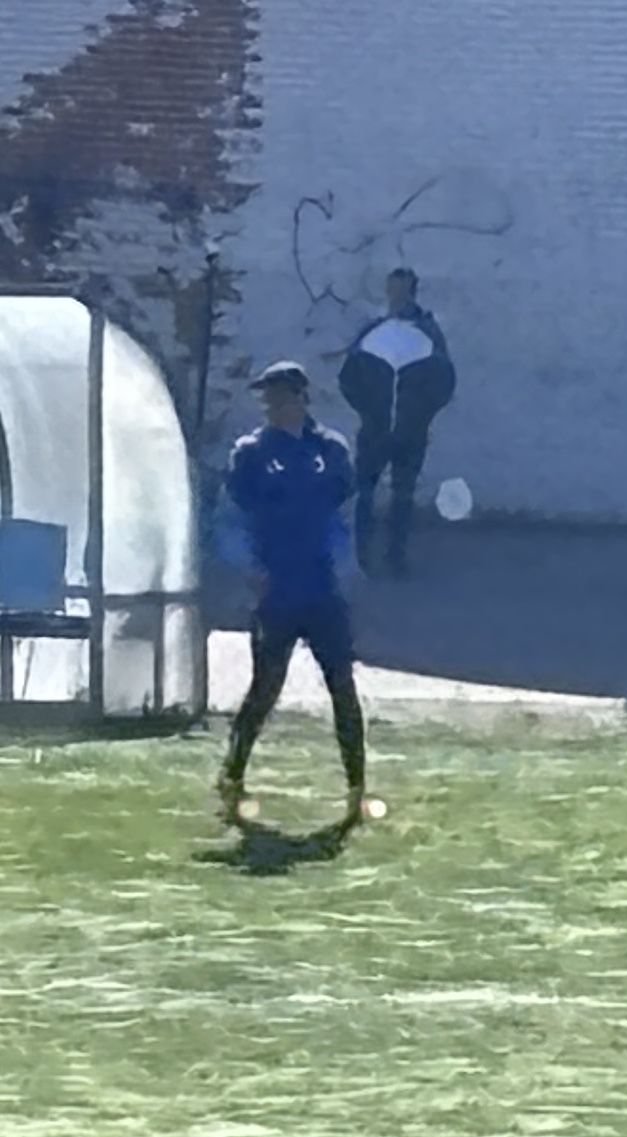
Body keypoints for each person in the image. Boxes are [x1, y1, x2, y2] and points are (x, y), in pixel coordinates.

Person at [215, 362, 370, 828]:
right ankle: (232, 772)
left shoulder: (331, 450)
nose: (272, 405)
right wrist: (249, 567)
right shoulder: (251, 454)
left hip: (323, 589)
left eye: (280, 396)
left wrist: (348, 569)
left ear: (301, 398)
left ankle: (357, 785)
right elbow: (229, 520)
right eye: (267, 398)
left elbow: (344, 515)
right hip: (277, 588)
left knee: (342, 685)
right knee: (265, 687)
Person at [338, 268, 455, 576]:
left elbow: (444, 382)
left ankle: (395, 557)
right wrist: (368, 410)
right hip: (376, 427)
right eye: (393, 290)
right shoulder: (375, 330)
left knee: (402, 494)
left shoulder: (428, 332)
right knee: (365, 490)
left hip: (409, 429)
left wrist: (419, 414)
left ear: (412, 292)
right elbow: (349, 376)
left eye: (401, 290)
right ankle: (362, 555)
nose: (396, 296)